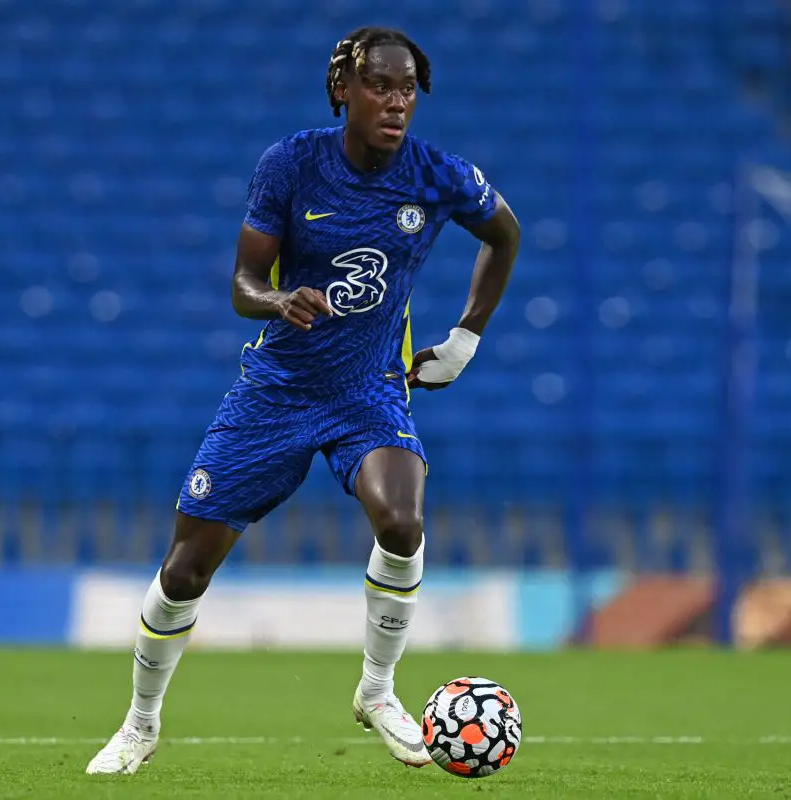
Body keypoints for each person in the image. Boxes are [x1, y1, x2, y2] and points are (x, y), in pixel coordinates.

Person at [86, 25, 521, 775]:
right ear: (342, 91)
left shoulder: (438, 176)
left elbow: (505, 235)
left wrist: (465, 339)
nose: (396, 102)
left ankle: (377, 690)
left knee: (403, 518)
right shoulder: (291, 165)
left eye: (408, 89)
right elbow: (241, 284)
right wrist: (279, 299)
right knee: (187, 568)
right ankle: (140, 723)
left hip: (369, 391)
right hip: (277, 391)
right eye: (380, 86)